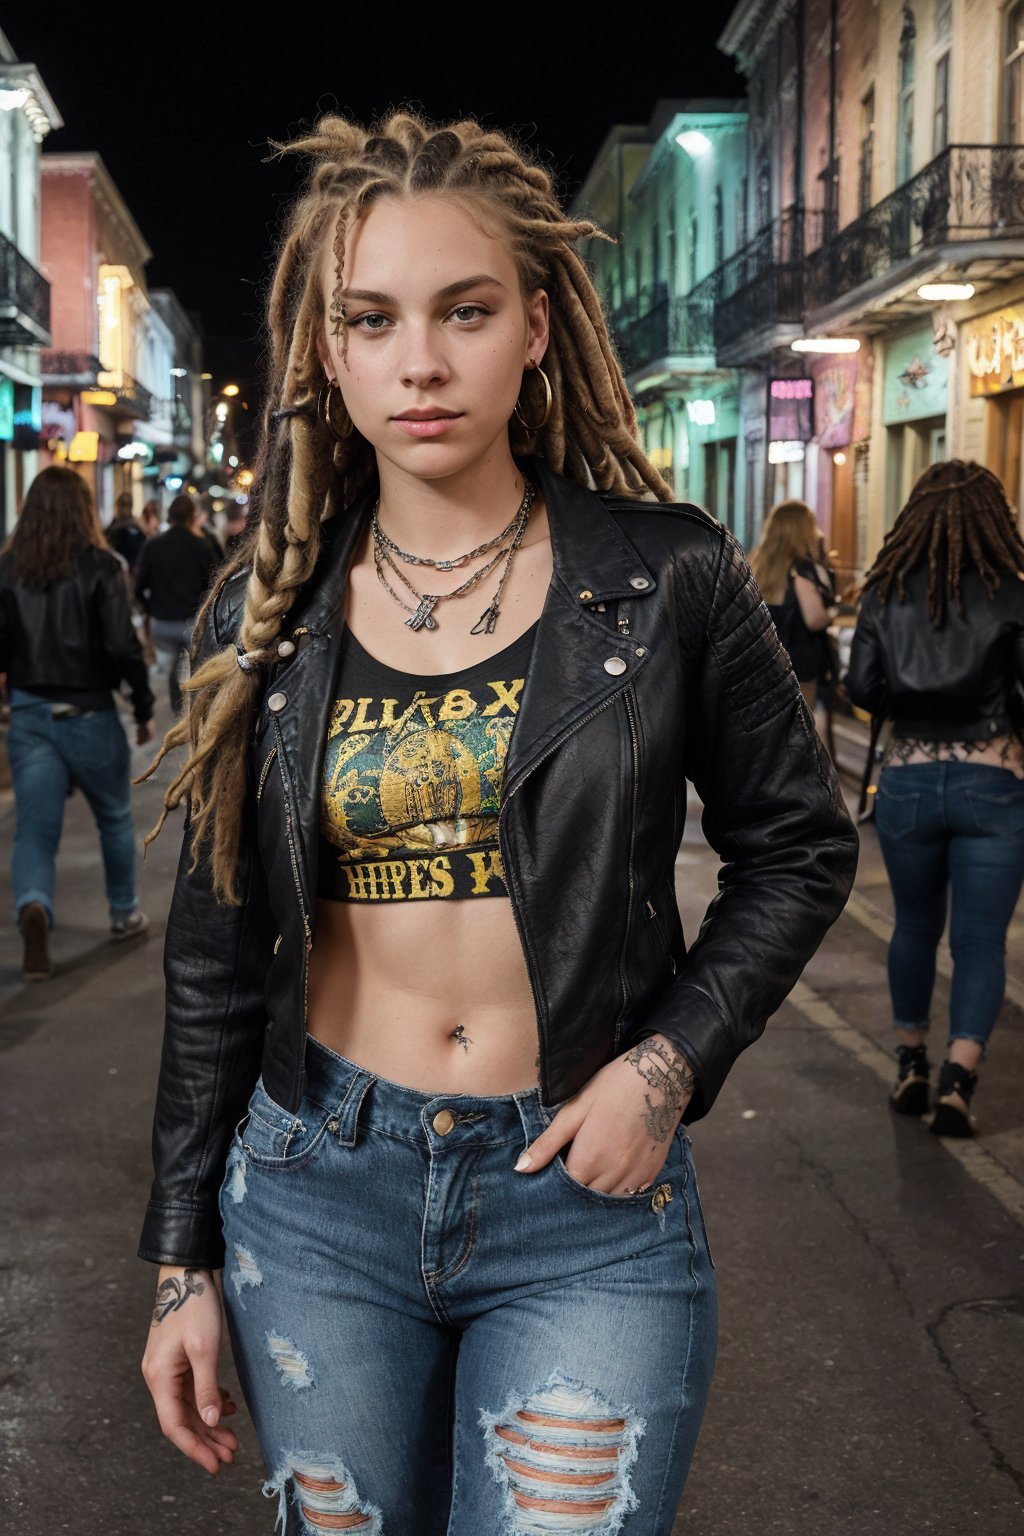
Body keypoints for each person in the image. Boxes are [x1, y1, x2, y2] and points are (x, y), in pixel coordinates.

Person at [138, 111, 858, 1531]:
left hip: (581, 1206)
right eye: (374, 319)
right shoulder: (266, 616)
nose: (419, 361)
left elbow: (801, 842)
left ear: (534, 327)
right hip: (313, 1192)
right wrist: (179, 1263)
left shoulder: (668, 580)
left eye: (463, 312)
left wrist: (668, 1067)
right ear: (327, 352)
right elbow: (215, 954)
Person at [846, 459, 1024, 1138]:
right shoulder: (1013, 592)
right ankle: (959, 1077)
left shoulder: (885, 591)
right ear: (995, 520)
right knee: (981, 940)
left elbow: (863, 688)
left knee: (915, 927)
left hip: (909, 776)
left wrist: (911, 706)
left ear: (914, 517)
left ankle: (911, 1062)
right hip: (995, 781)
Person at [0, 466, 154, 980]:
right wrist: (143, 700)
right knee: (113, 817)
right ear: (84, 511)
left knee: (36, 830)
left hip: (28, 712)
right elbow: (121, 646)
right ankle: (124, 912)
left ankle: (35, 904)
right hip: (89, 710)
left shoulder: (7, 569)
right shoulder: (102, 569)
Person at [749, 499, 836, 711]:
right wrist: (833, 612)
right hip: (800, 662)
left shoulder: (756, 564)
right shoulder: (803, 570)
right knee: (802, 724)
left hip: (761, 660)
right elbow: (814, 619)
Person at [134, 494, 218, 713]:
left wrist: (149, 608)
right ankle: (197, 710)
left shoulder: (153, 546)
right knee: (197, 666)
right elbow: (216, 583)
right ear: (192, 517)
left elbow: (138, 586)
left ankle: (177, 709)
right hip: (193, 620)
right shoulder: (201, 546)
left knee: (172, 668)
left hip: (162, 622)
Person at [107, 490, 148, 577]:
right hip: (123, 571)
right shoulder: (137, 526)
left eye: (127, 504)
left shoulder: (114, 527)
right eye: (124, 504)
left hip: (125, 571)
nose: (126, 508)